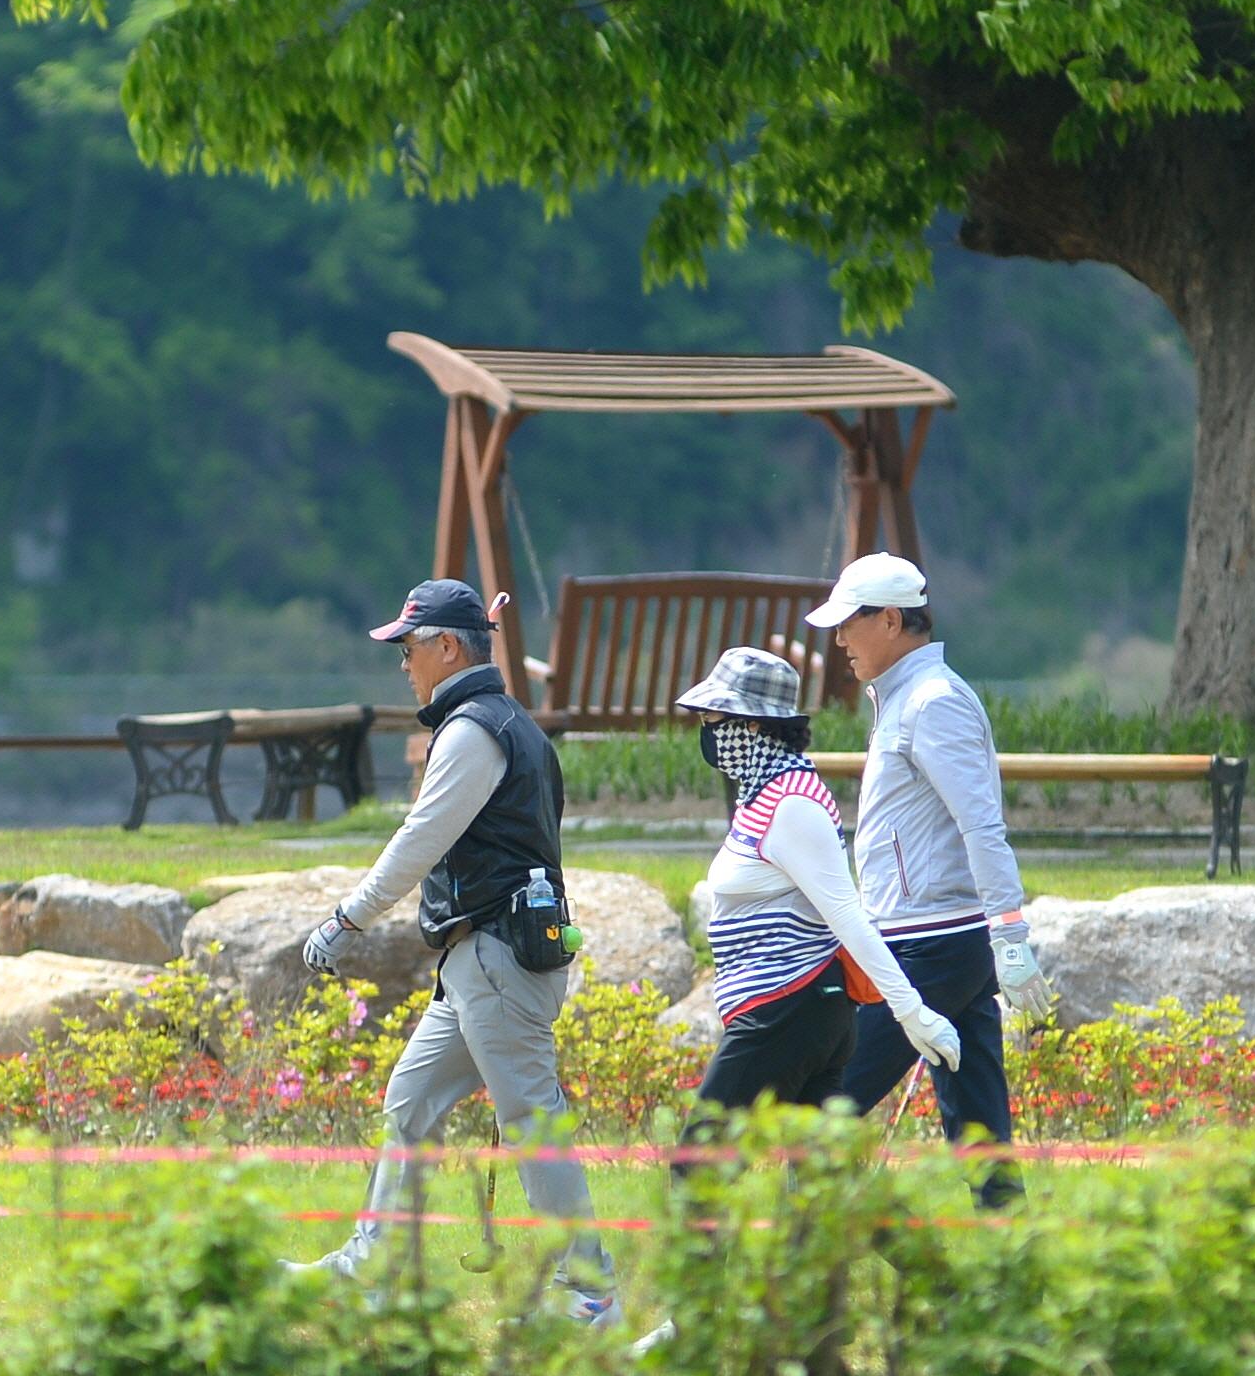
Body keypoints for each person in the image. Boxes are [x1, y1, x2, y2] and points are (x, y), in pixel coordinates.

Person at [293, 576, 621, 1323]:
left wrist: (348, 917)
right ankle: (373, 1267)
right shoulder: (506, 723)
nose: (403, 663)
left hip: (496, 962)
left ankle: (592, 1290)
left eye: (409, 647)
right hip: (482, 965)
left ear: (448, 646)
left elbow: (420, 840)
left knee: (533, 1125)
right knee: (410, 1102)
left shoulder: (474, 731)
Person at [811, 553, 1040, 1209]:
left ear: (889, 619)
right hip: (938, 938)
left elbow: (981, 825)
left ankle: (920, 1277)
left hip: (930, 942)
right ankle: (1012, 1285)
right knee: (979, 1128)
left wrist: (1012, 934)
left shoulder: (933, 702)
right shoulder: (907, 697)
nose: (840, 640)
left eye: (849, 623)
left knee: (824, 1112)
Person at [673, 644, 959, 1140]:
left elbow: (847, 914)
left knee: (701, 1166)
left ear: (754, 725)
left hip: (788, 1005)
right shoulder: (763, 794)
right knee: (820, 1188)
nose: (707, 731)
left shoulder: (791, 805)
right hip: (792, 1005)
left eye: (714, 717)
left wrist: (911, 1012)